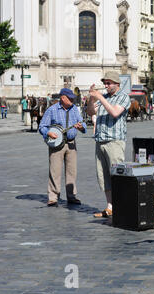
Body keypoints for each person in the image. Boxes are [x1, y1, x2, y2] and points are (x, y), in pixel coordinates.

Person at [87, 71, 131, 218]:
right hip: (100, 140)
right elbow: (90, 112)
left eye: (108, 83)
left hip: (114, 141)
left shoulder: (123, 97)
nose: (106, 86)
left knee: (117, 176)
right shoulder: (103, 97)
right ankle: (110, 206)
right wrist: (92, 99)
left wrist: (99, 97)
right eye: (105, 83)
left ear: (117, 84)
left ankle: (121, 206)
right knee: (103, 176)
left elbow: (114, 112)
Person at [38, 88, 87, 207]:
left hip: (71, 143)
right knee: (55, 171)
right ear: (63, 98)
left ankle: (72, 196)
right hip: (56, 145)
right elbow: (42, 126)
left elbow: (83, 124)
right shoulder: (52, 110)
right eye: (70, 98)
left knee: (72, 171)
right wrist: (48, 133)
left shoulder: (74, 109)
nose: (72, 100)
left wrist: (81, 127)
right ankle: (53, 197)